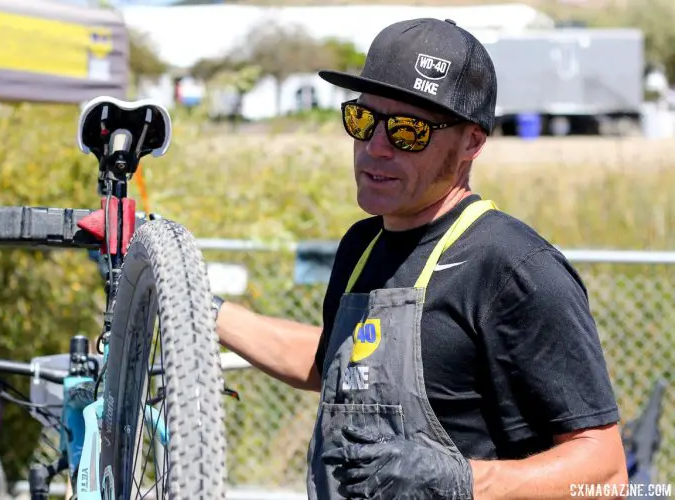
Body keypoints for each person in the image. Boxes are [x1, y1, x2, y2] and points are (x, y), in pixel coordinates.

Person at [212, 17, 628, 500]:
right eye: (362, 120)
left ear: (472, 141)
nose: (375, 147)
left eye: (408, 131)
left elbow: (605, 471)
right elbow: (335, 361)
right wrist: (205, 310)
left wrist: (461, 481)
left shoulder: (514, 268)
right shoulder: (362, 245)